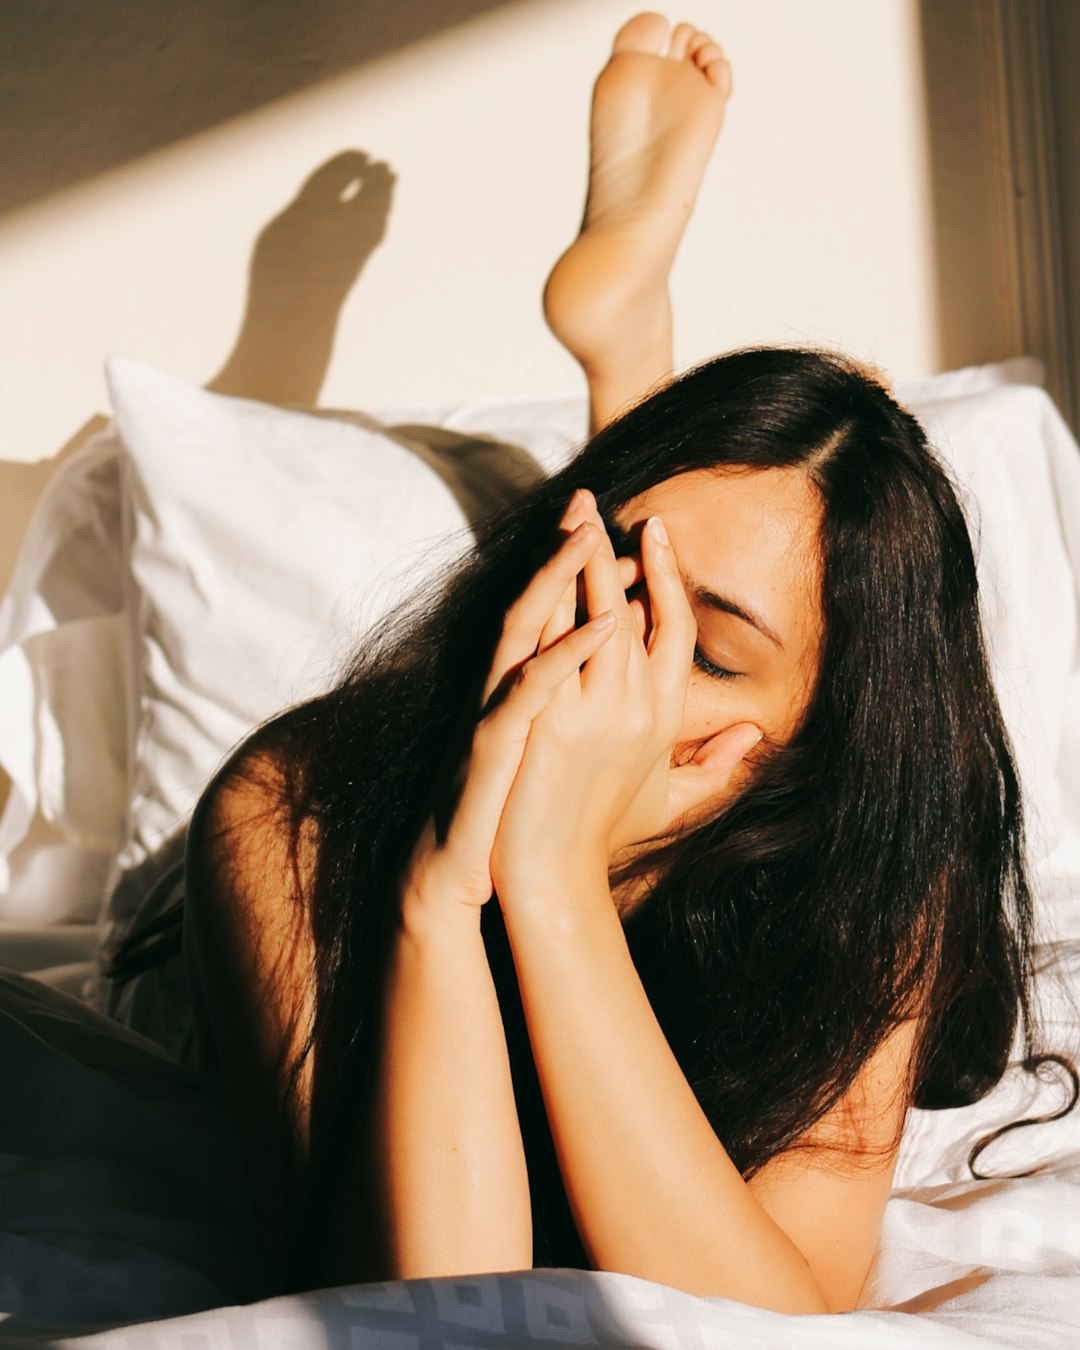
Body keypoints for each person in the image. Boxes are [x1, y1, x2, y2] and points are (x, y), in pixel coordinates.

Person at [106, 11, 1071, 1317]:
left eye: (708, 648)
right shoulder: (291, 810)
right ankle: (630, 377)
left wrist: (550, 876)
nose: (605, 648)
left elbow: (779, 1318)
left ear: (807, 743)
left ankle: (632, 359)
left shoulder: (873, 861)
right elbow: (418, 1311)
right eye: (607, 573)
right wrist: (443, 898)